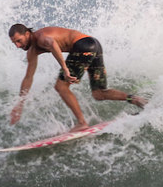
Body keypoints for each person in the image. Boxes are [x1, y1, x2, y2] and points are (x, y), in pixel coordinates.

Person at [8, 24, 146, 131]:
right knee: (99, 93)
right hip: (93, 45)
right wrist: (20, 103)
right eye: (14, 43)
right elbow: (28, 78)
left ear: (27, 33)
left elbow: (52, 44)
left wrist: (65, 68)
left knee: (61, 86)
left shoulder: (41, 37)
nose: (18, 46)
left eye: (19, 41)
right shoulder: (32, 51)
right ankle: (135, 99)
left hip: (83, 46)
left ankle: (81, 123)